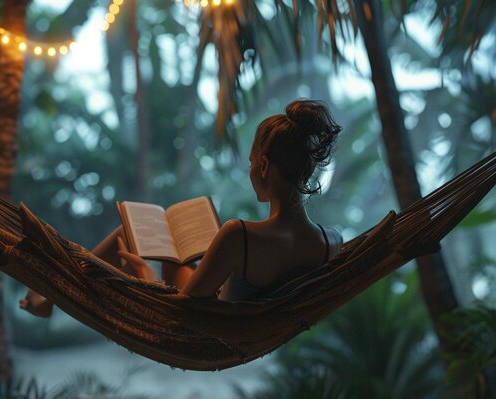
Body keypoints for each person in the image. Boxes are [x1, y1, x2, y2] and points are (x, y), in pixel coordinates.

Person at [20, 99, 343, 315]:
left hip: (205, 330)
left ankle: (52, 295)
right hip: (236, 318)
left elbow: (181, 311)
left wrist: (145, 275)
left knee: (132, 234)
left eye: (249, 162)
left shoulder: (240, 236)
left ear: (262, 166)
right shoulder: (331, 243)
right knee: (150, 235)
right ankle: (51, 296)